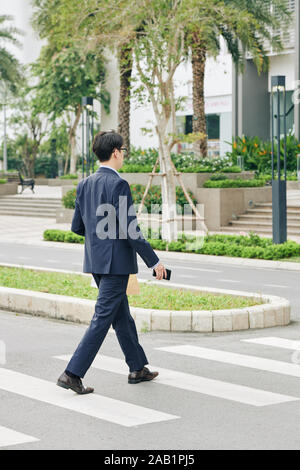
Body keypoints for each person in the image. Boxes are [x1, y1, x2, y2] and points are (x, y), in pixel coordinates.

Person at [57, 130, 167, 395]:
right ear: (116, 152)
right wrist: (155, 262)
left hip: (95, 261)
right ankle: (72, 373)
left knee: (122, 317)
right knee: (103, 318)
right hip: (116, 264)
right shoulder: (119, 185)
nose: (123, 156)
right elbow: (131, 230)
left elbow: (77, 227)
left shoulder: (84, 184)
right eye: (123, 151)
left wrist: (100, 240)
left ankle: (137, 367)